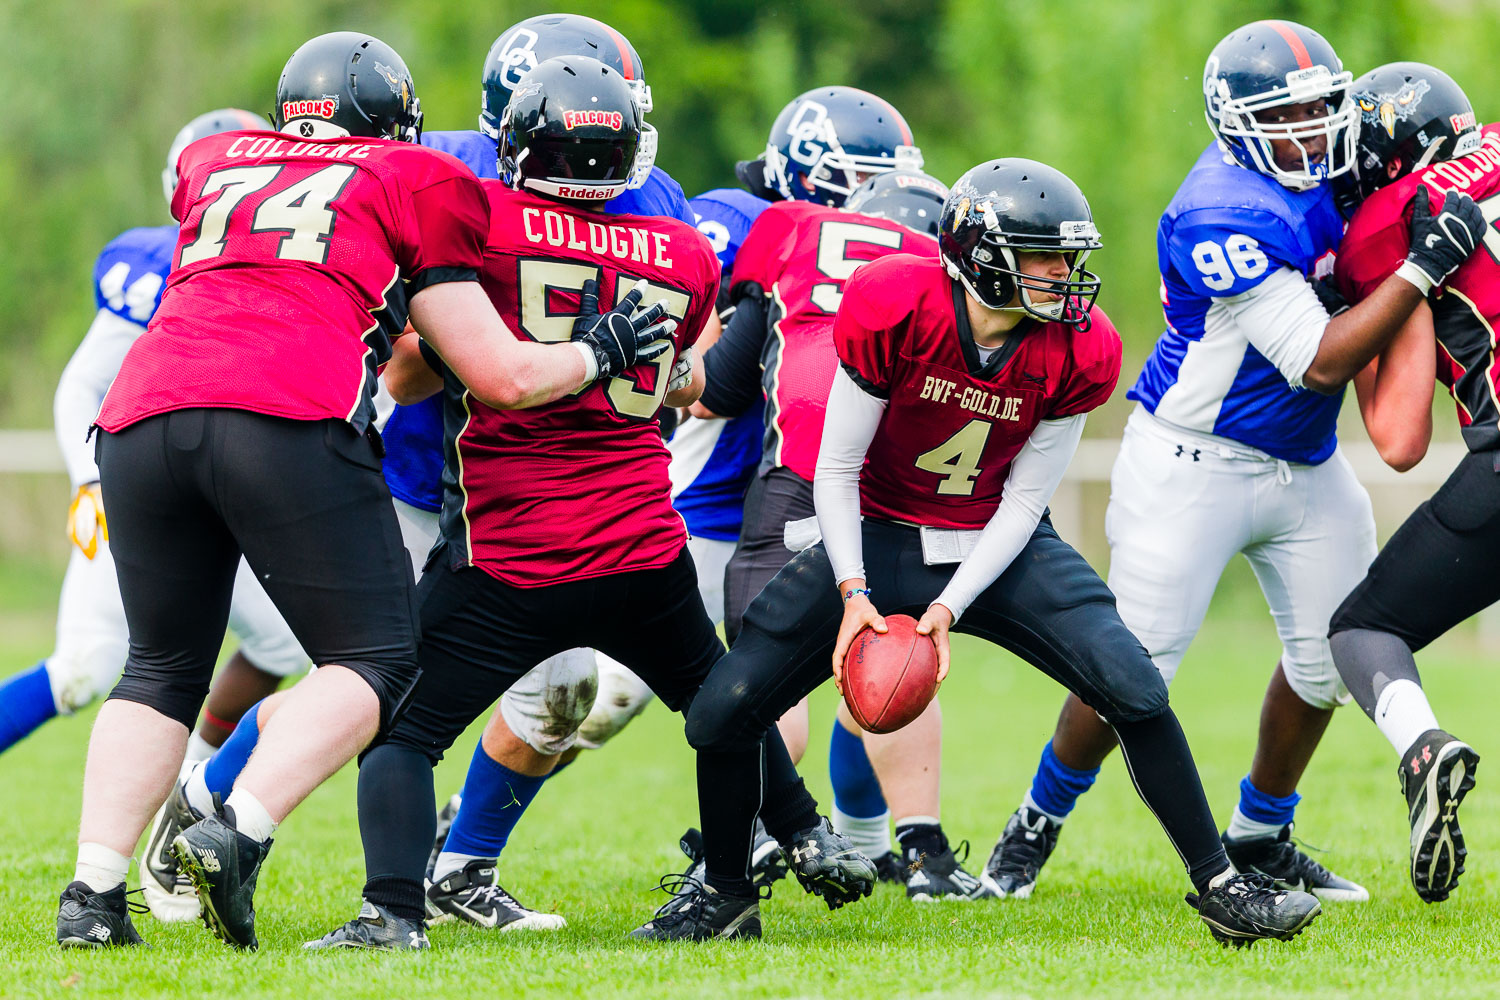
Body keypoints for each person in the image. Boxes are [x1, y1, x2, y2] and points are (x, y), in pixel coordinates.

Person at [56, 31, 667, 951]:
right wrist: (602, 348)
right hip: (285, 410)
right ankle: (241, 825)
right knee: (380, 660)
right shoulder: (414, 176)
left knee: (160, 667)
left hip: (143, 415)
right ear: (394, 122)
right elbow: (499, 375)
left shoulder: (218, 160)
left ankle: (92, 900)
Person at [635, 158, 1325, 947]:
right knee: (724, 710)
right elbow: (835, 465)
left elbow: (1028, 499)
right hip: (881, 528)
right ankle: (725, 896)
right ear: (979, 255)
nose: (1065, 276)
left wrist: (947, 607)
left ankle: (1224, 888)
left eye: (1070, 258)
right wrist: (856, 594)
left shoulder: (1080, 347)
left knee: (1132, 685)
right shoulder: (895, 301)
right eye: (1043, 257)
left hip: (997, 540)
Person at [304, 55, 838, 951]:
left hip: (513, 550)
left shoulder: (475, 223)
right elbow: (687, 385)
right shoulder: (684, 252)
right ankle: (752, 875)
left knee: (400, 728)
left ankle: (393, 912)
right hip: (642, 546)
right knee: (720, 704)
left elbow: (417, 369)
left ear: (515, 142)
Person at [986, 20, 1482, 903]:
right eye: (1288, 117)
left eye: (1322, 110)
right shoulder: (1225, 207)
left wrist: (1409, 259)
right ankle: (1033, 825)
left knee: (1336, 657)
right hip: (1194, 461)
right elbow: (1319, 358)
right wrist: (1415, 271)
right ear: (1240, 124)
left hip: (1306, 460)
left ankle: (1262, 832)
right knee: (1132, 668)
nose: (1312, 133)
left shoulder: (1342, 176)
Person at [693, 166, 987, 899]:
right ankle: (923, 855)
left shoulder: (796, 239)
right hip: (900, 494)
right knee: (892, 661)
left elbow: (718, 392)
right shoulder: (949, 283)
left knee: (765, 679)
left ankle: (755, 836)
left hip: (793, 482)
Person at [1328, 61, 1491, 904]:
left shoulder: (1392, 219)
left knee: (1364, 627)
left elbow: (1397, 439)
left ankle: (1423, 748)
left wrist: (1405, 281)